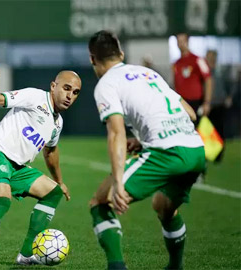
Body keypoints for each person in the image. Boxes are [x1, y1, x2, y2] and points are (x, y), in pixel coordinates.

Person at [88, 30, 205, 270]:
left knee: (101, 202)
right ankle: (175, 267)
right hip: (195, 150)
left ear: (93, 59)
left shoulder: (106, 84)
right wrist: (144, 140)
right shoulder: (149, 73)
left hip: (166, 154)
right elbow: (190, 114)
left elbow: (117, 133)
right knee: (163, 207)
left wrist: (118, 181)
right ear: (121, 54)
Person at [0, 71, 81, 270]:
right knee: (2, 200)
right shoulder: (35, 97)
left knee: (53, 193)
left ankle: (26, 255)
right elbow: (0, 97)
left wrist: (60, 181)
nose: (70, 96)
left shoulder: (57, 123)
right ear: (53, 86)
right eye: (66, 88)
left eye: (75, 92)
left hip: (16, 167)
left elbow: (50, 152)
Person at [173, 32, 212, 123]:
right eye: (178, 41)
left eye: (183, 41)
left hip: (196, 102)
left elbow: (208, 79)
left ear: (188, 42)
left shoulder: (198, 60)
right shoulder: (176, 64)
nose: (180, 44)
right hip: (182, 102)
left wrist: (207, 102)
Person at [205, 50, 232, 162]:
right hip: (209, 105)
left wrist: (228, 96)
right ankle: (209, 153)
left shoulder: (220, 71)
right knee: (207, 131)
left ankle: (219, 154)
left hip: (219, 104)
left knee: (220, 130)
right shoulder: (204, 71)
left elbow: (229, 84)